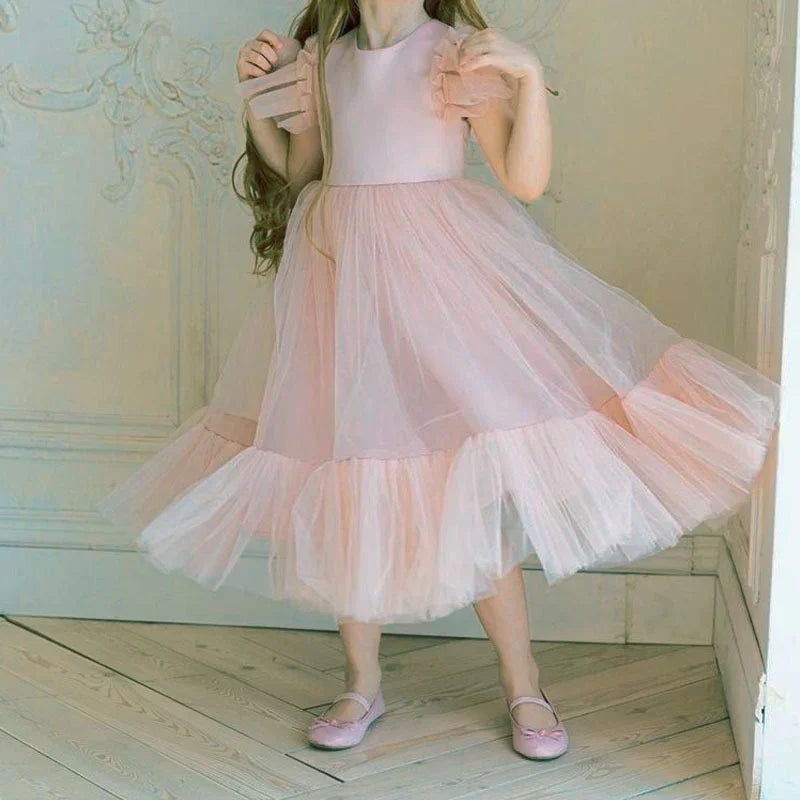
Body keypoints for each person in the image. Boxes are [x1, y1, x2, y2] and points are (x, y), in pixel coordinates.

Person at [96, 0, 780, 760]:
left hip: (442, 288)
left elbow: (523, 180)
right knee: (348, 475)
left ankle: (525, 685)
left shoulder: (451, 51)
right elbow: (300, 173)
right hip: (342, 288)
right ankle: (362, 682)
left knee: (470, 479)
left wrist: (530, 75)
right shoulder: (329, 57)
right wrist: (257, 106)